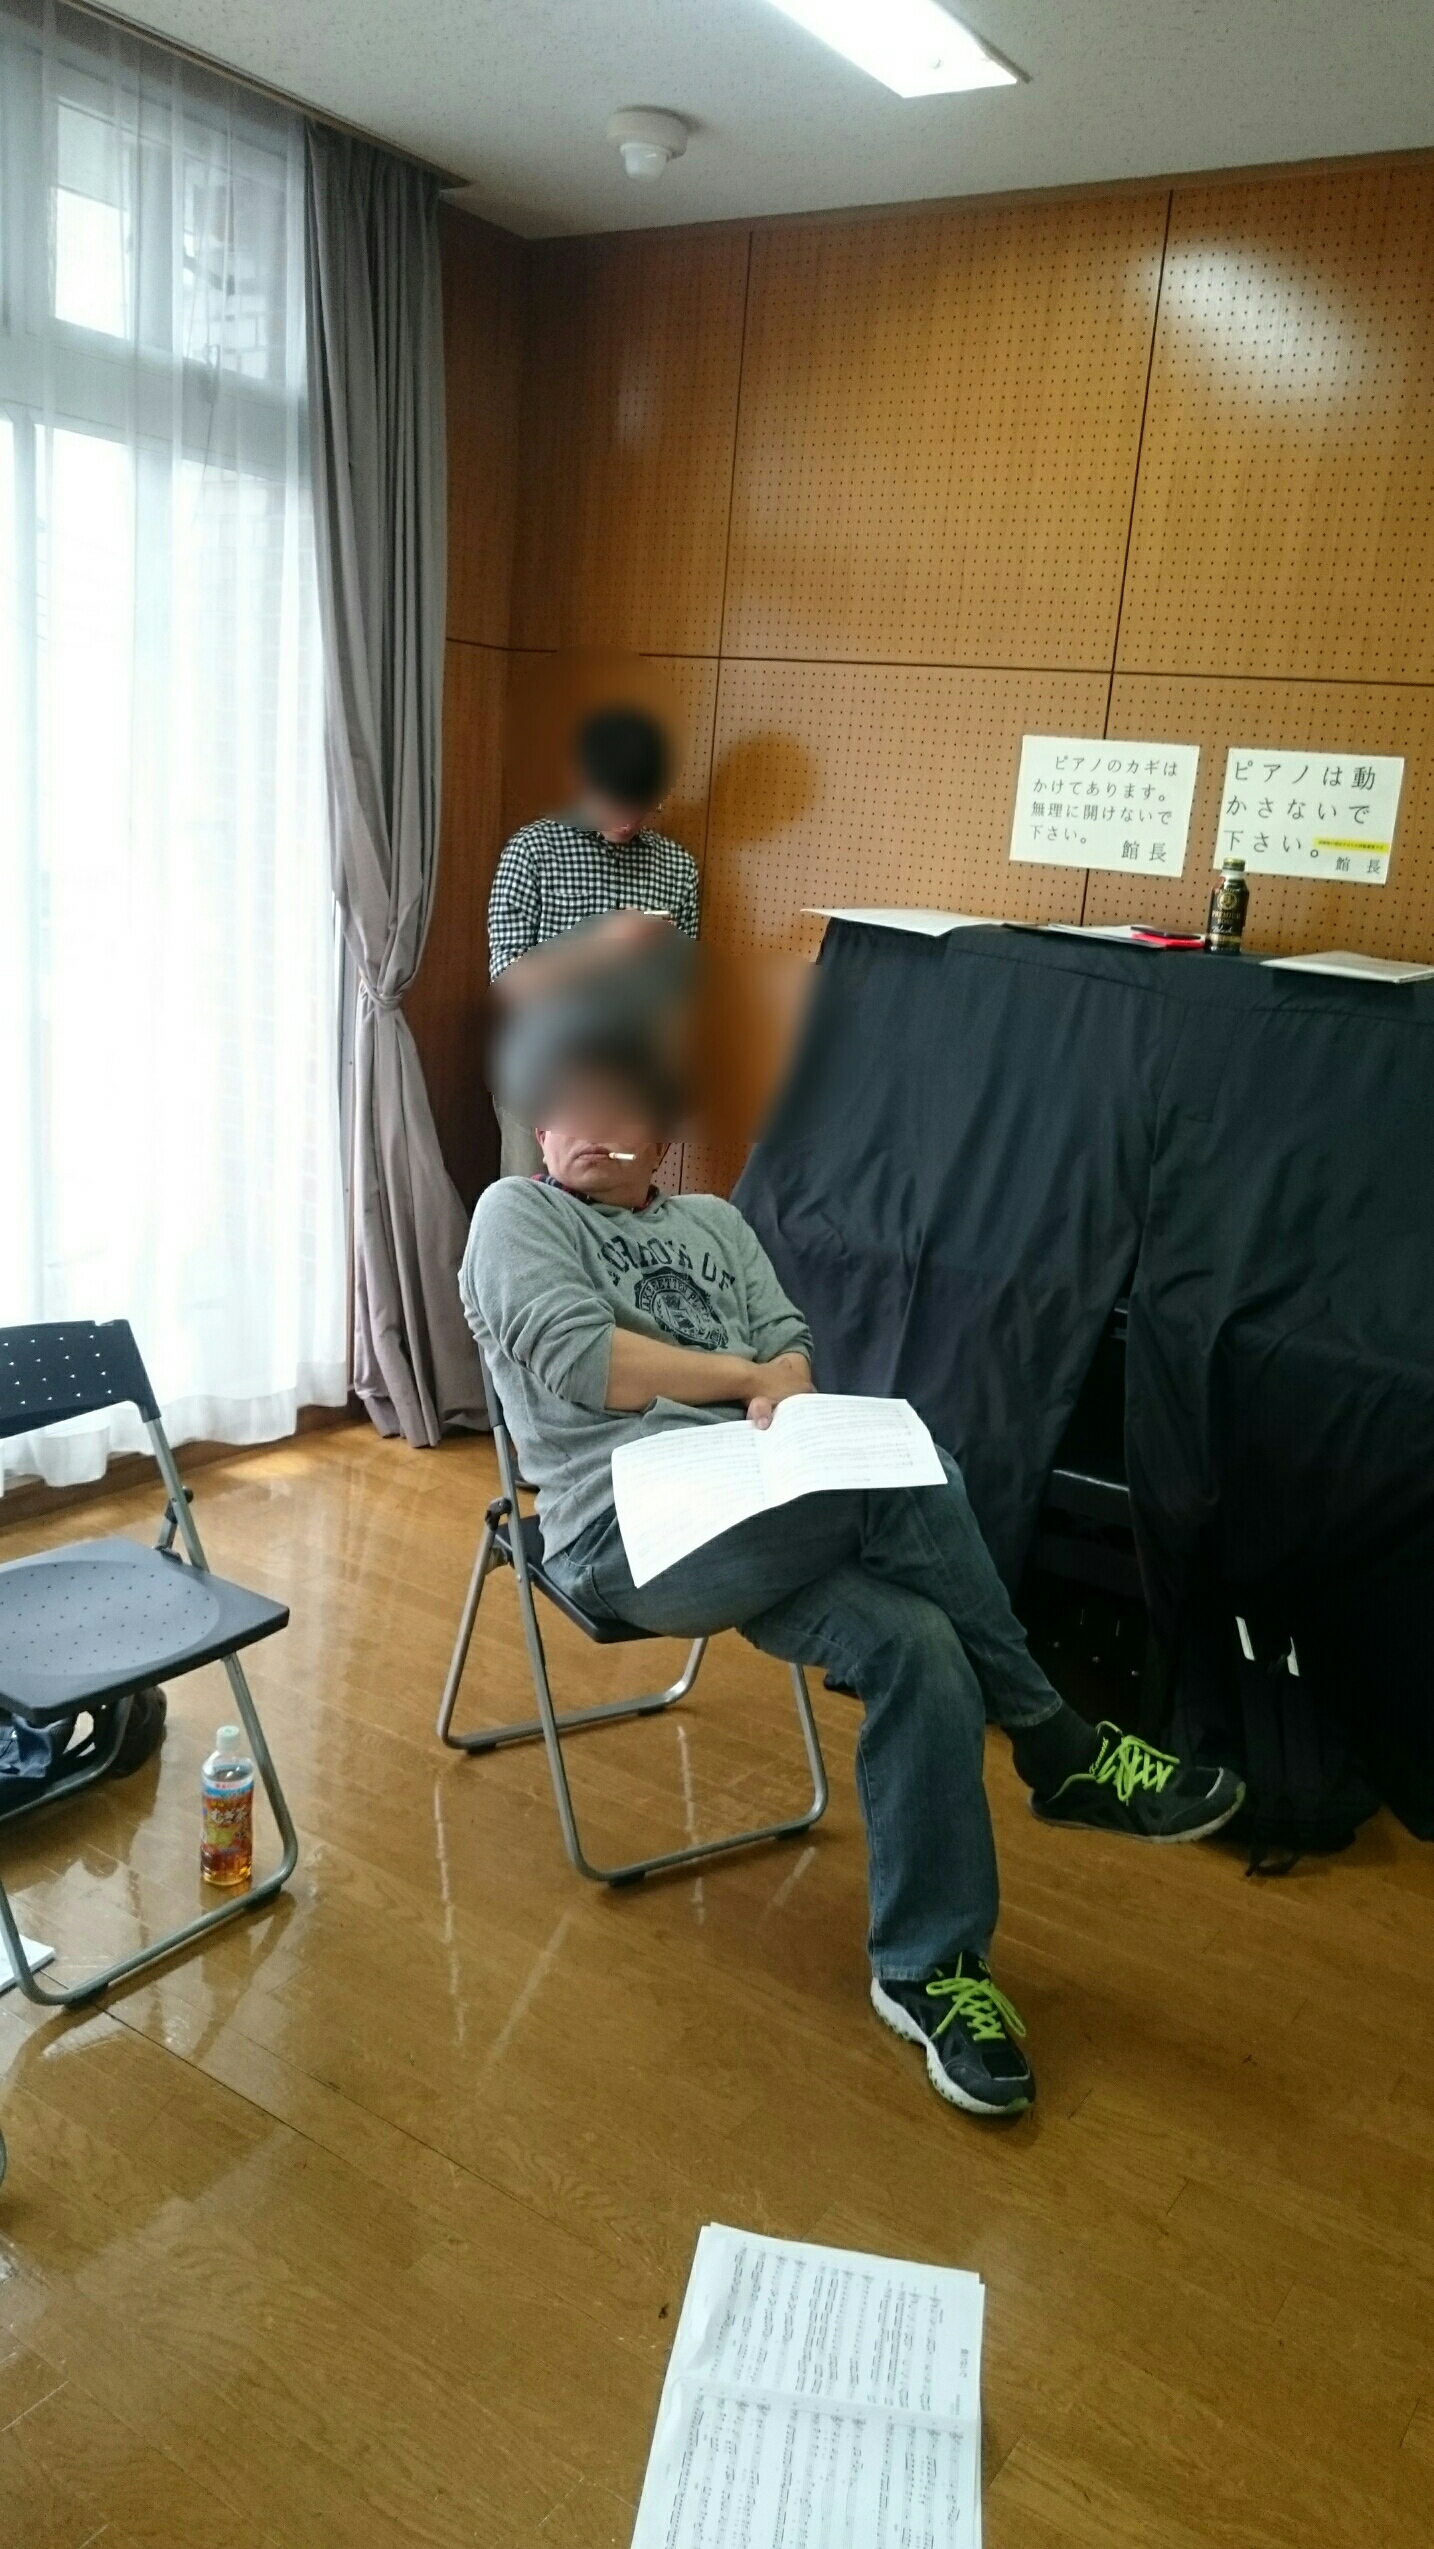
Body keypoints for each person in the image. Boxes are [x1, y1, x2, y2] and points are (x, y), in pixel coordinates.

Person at [459, 1112, 1244, 2122]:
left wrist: (782, 1378)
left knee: (922, 1644)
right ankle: (1056, 1742)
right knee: (917, 1472)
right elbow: (590, 1363)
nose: (593, 1125)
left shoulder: (714, 1221)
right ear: (541, 1122)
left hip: (760, 1505)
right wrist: (752, 1380)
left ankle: (929, 1968)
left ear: (659, 1132)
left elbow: (790, 1342)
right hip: (624, 1531)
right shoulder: (515, 1213)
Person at [486, 706, 700, 1178]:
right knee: (533, 1210)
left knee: (621, 1214)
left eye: (642, 806)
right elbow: (508, 983)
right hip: (542, 1072)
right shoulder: (533, 851)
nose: (627, 820)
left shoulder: (677, 868)